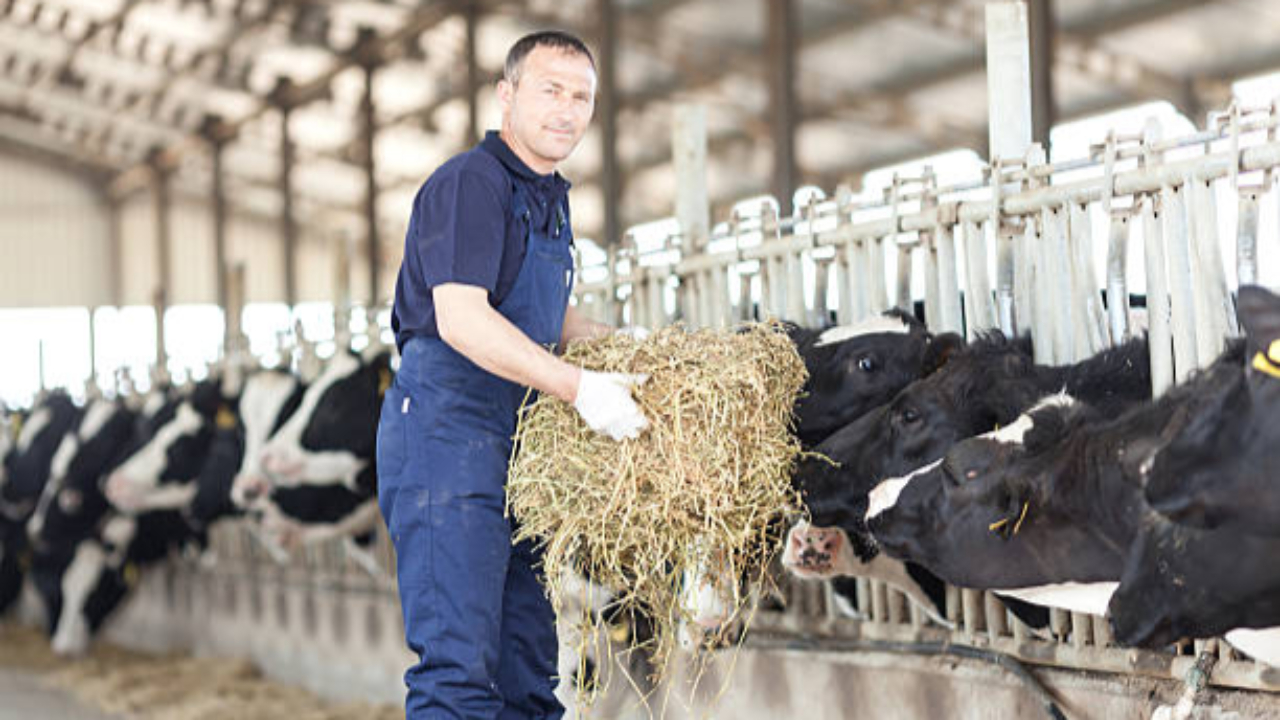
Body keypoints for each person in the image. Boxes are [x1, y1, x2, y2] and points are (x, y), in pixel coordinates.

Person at [376, 30, 648, 719]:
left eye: (581, 96)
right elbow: (463, 319)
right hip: (447, 435)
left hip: (516, 444)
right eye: (549, 90)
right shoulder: (472, 182)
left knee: (528, 668)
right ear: (507, 95)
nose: (567, 109)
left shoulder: (548, 197)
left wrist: (633, 352)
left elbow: (539, 318)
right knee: (460, 671)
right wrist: (579, 388)